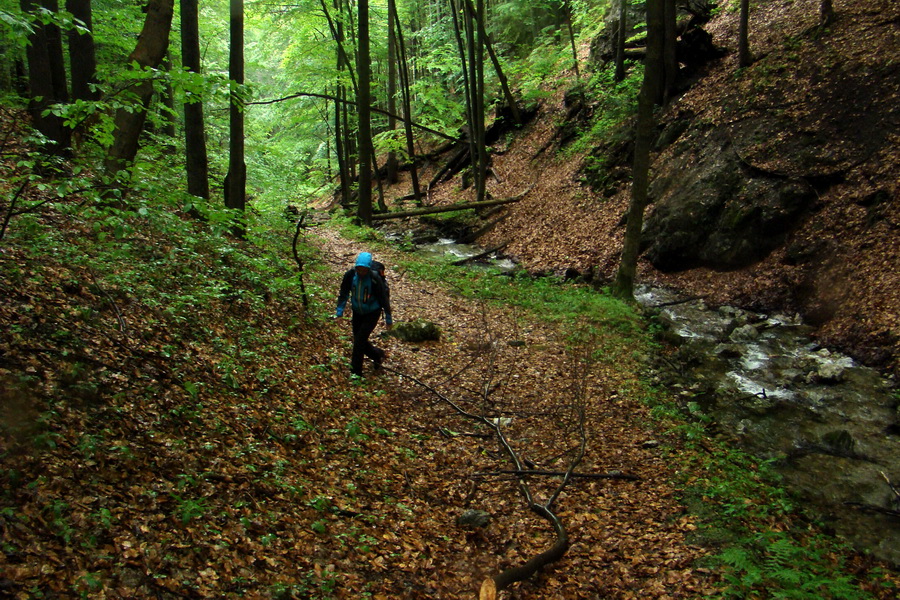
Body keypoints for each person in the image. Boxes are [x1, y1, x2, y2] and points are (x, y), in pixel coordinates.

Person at [335, 252, 393, 377]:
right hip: (357, 312)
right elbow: (343, 293)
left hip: (372, 312)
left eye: (364, 270)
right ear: (356, 267)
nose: (361, 272)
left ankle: (356, 373)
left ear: (368, 268)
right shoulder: (350, 275)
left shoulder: (374, 278)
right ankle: (377, 355)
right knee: (359, 340)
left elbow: (383, 299)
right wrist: (339, 312)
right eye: (359, 269)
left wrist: (388, 319)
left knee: (359, 341)